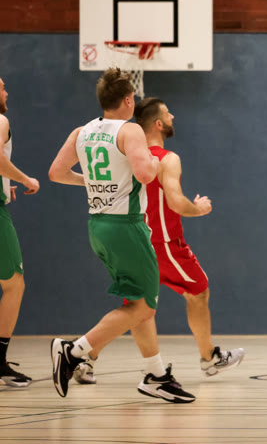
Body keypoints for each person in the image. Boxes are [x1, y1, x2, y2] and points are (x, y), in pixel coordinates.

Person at [70, 97, 244, 385]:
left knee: (135, 310)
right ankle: (209, 358)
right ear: (159, 124)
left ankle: (86, 356)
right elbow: (175, 202)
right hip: (164, 244)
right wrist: (198, 208)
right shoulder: (166, 159)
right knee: (198, 291)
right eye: (168, 113)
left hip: (131, 240)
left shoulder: (126, 155)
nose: (173, 116)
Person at [48, 68, 194, 403]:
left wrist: (92, 182)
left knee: (138, 303)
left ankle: (156, 375)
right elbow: (144, 174)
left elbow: (56, 172)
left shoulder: (82, 131)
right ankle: (74, 351)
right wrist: (157, 162)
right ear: (129, 100)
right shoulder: (130, 131)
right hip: (126, 226)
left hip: (98, 226)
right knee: (143, 307)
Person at [0, 77, 40, 387]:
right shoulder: (1, 120)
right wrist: (26, 179)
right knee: (14, 284)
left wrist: (4, 187)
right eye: (1, 88)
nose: (6, 92)